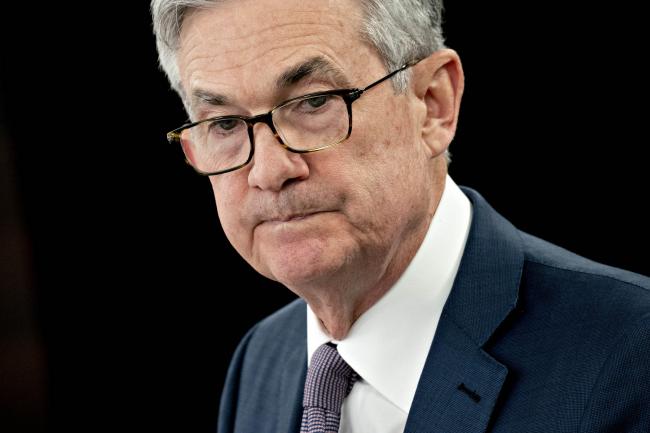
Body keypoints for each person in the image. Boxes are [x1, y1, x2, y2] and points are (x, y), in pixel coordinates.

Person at [150, 0, 650, 432]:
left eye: (314, 101)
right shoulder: (262, 359)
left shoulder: (631, 354)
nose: (268, 170)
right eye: (223, 123)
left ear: (433, 104)